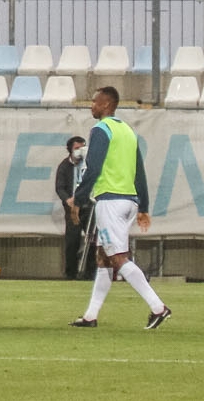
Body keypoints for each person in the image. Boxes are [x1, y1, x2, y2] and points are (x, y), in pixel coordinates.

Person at [71, 86, 172, 329]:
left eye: (94, 102)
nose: (91, 106)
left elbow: (93, 168)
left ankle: (158, 307)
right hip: (128, 200)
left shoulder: (101, 129)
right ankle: (90, 316)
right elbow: (139, 170)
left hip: (110, 202)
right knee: (103, 257)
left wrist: (78, 199)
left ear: (106, 105)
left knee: (117, 258)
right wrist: (143, 205)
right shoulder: (127, 130)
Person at [56, 136, 91, 280]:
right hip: (72, 208)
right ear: (70, 149)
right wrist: (67, 199)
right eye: (77, 148)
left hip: (88, 207)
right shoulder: (64, 166)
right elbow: (60, 187)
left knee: (92, 240)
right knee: (72, 240)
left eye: (82, 148)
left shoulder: (89, 165)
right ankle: (70, 273)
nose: (79, 151)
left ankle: (90, 272)